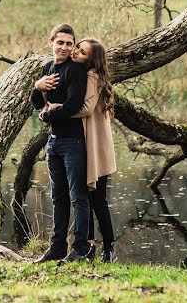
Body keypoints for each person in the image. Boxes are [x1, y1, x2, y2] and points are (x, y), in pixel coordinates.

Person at [31, 23, 91, 263]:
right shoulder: (47, 67)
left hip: (74, 142)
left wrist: (48, 115)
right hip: (53, 143)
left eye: (69, 43)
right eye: (60, 42)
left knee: (78, 196)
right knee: (58, 197)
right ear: (51, 43)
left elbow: (74, 105)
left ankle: (80, 248)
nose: (65, 47)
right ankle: (57, 248)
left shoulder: (75, 70)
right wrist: (36, 86)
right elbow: (37, 103)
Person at [71, 38, 117, 263]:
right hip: (92, 146)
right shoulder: (86, 75)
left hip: (96, 148)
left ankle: (108, 249)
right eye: (77, 47)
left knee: (97, 200)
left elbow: (86, 109)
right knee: (87, 198)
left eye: (83, 52)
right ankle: (91, 246)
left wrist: (58, 110)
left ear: (92, 59)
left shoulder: (92, 76)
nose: (76, 52)